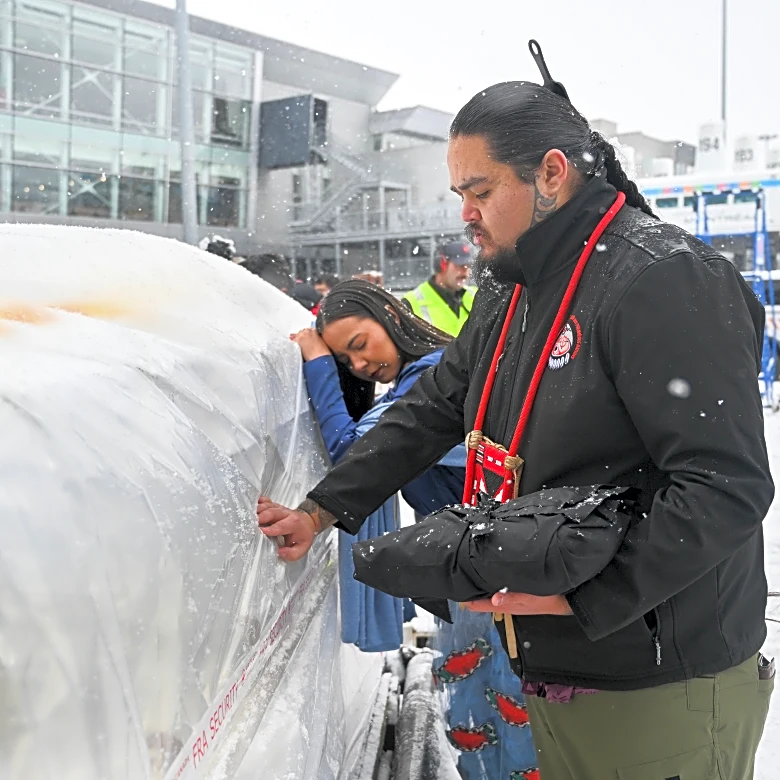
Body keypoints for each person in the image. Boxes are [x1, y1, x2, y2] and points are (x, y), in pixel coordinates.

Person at [258, 41, 775, 780]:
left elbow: (726, 489)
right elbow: (439, 401)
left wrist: (582, 596)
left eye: (480, 191)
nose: (465, 216)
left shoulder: (662, 278)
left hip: (660, 676)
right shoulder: (512, 283)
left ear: (552, 175)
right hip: (558, 664)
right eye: (459, 195)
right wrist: (323, 509)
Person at [280, 279, 465, 649]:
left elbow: (357, 453)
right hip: (478, 555)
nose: (360, 365)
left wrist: (319, 365)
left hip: (488, 558)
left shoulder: (431, 378)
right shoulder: (419, 377)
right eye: (346, 361)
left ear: (391, 315)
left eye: (360, 345)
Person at [401, 241, 477, 336]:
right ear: (442, 264)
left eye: (468, 266)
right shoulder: (411, 303)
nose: (465, 273)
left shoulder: (477, 296)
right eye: (460, 266)